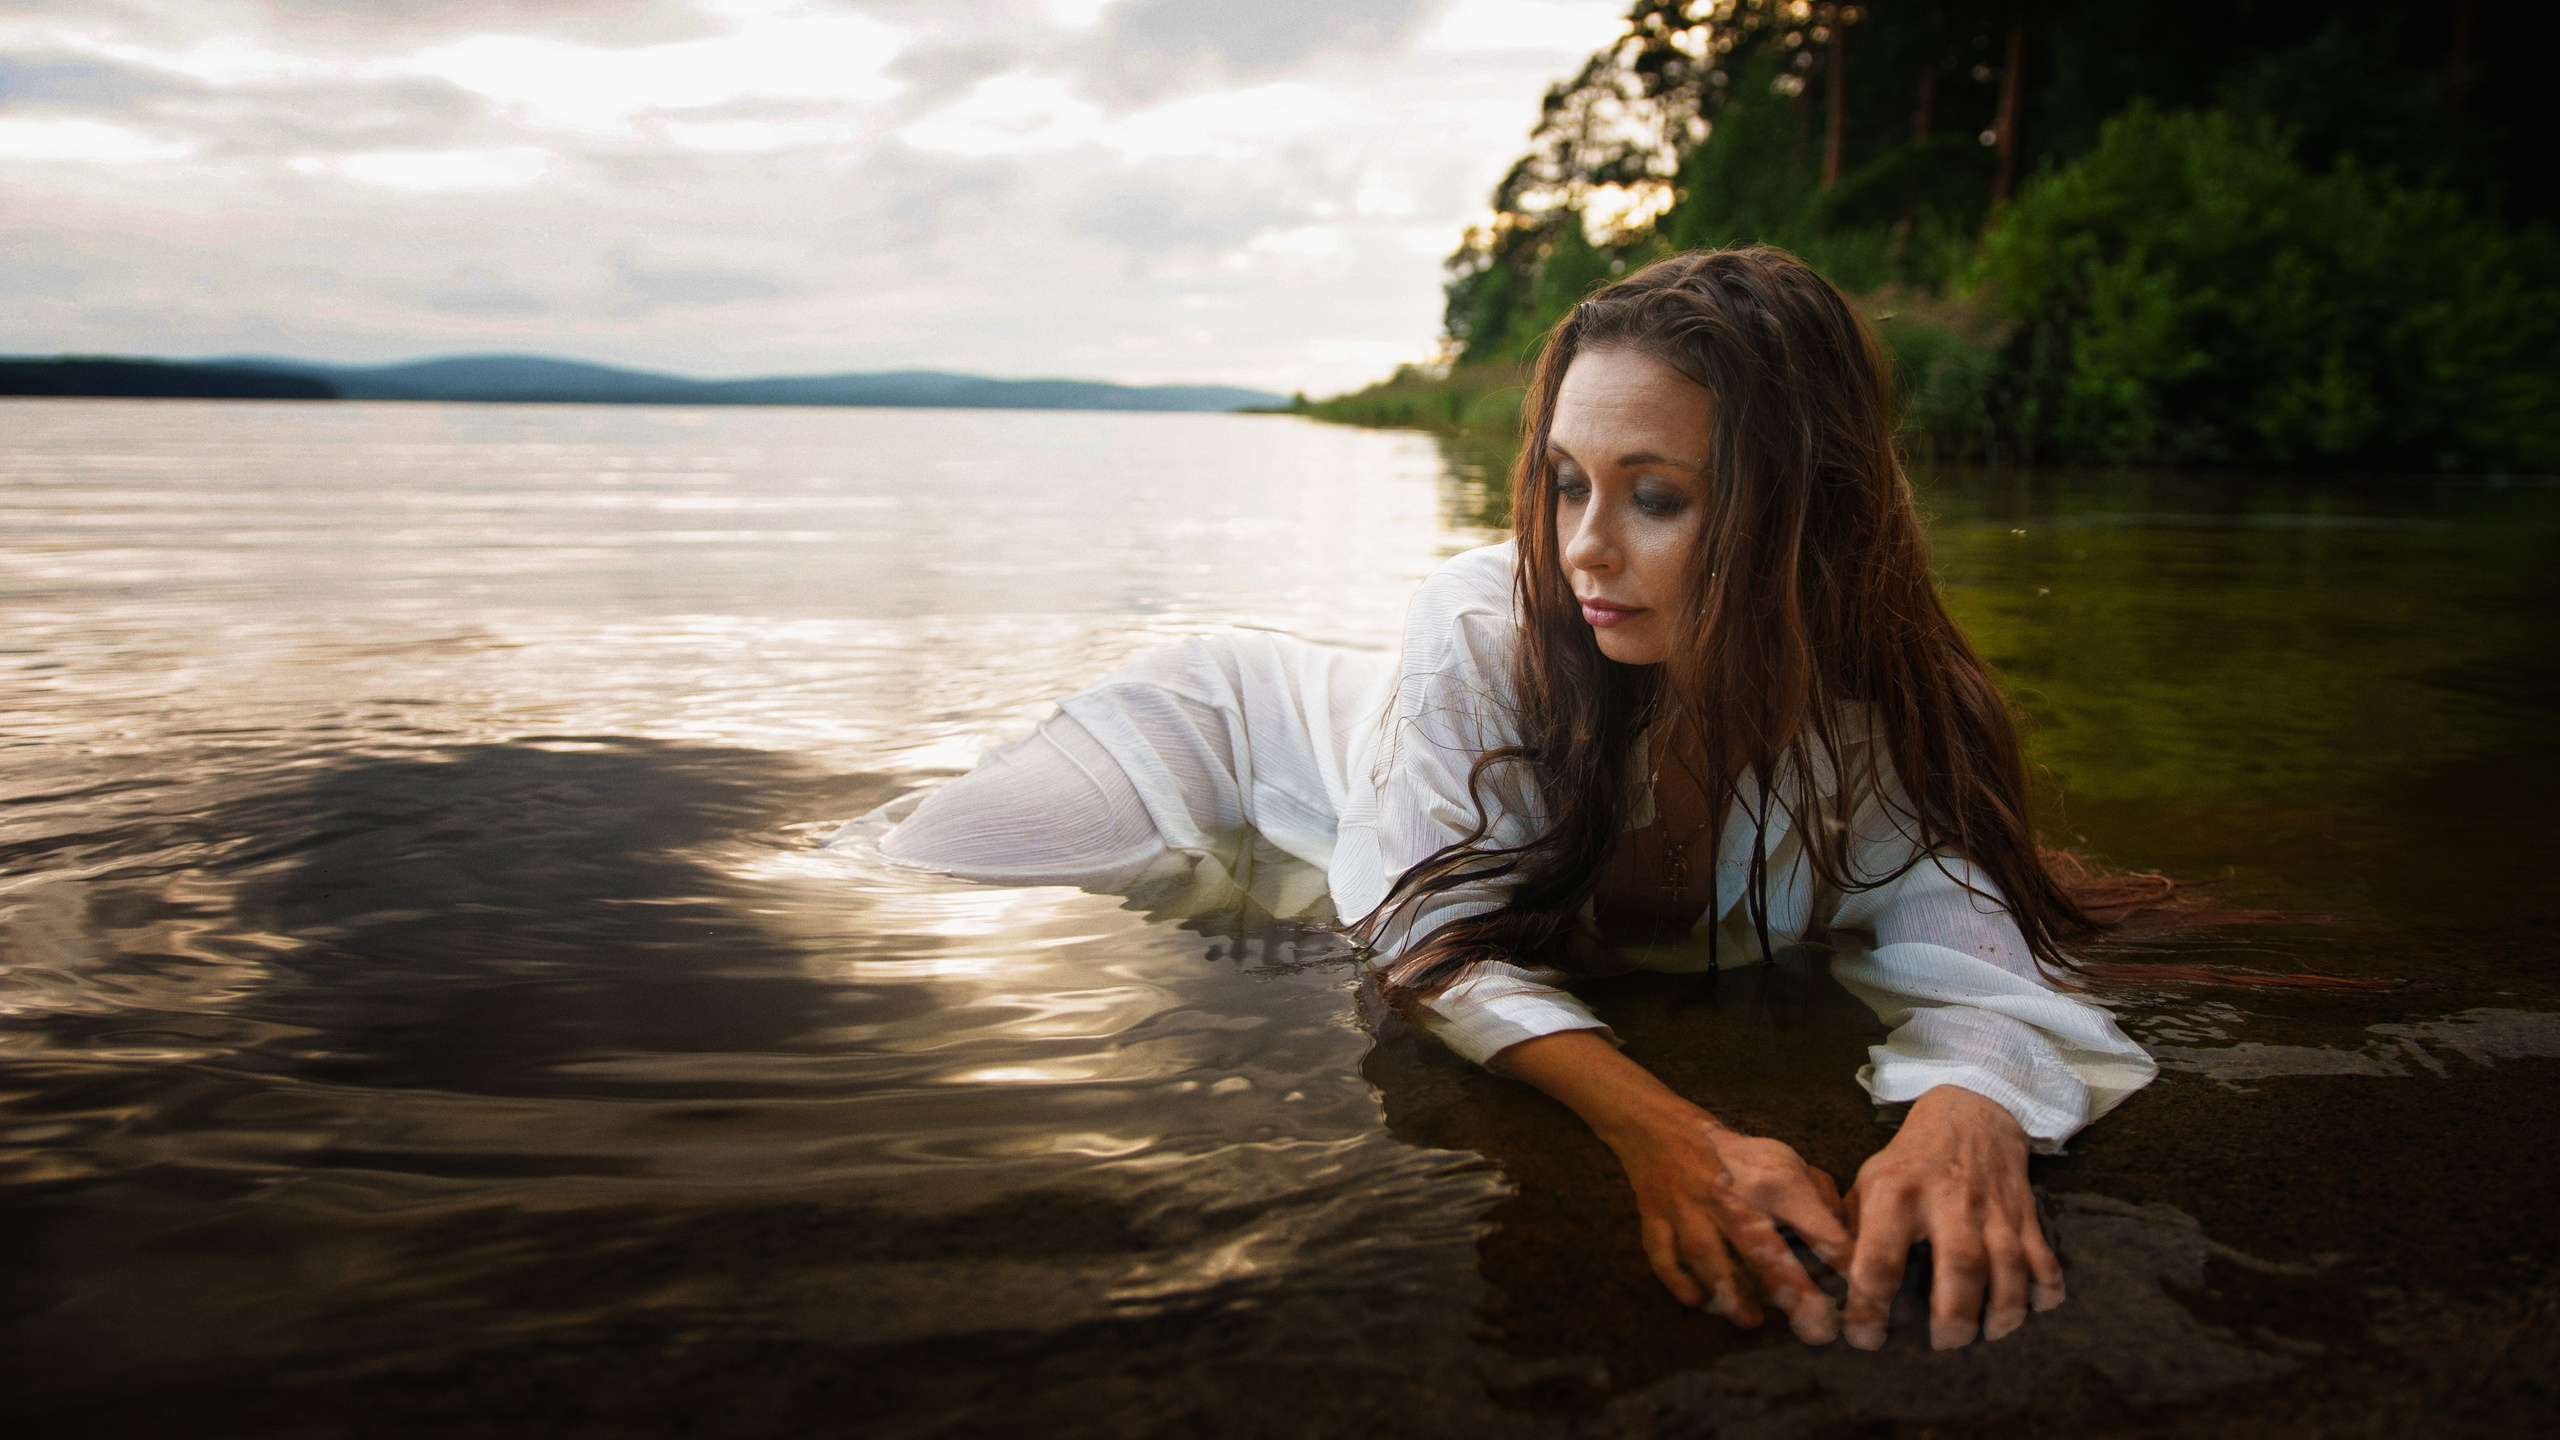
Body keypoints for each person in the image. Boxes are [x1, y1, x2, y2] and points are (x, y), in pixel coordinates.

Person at [850, 247, 2157, 1351]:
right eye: (1568, 482)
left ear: (1805, 509)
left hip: (1366, 781)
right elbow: (1427, 934)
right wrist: (1665, 1133)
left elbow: (1983, 959)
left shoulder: (1890, 712)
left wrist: (1967, 1116)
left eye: (1656, 497)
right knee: (892, 876)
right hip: (1228, 739)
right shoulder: (1489, 624)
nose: (1583, 544)